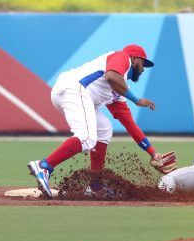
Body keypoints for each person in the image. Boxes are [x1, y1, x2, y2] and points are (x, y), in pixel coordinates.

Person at [27, 44, 176, 198]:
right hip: (74, 89)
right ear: (134, 58)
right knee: (87, 138)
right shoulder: (121, 57)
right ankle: (44, 166)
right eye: (143, 63)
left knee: (104, 129)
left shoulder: (120, 88)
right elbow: (111, 76)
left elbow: (129, 125)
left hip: (70, 94)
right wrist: (137, 100)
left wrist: (153, 153)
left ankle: (95, 186)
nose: (143, 69)